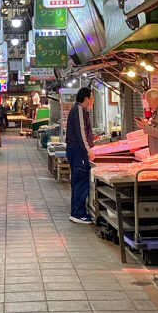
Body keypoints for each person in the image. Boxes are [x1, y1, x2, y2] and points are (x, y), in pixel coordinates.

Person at [66, 86, 95, 224]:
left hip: (77, 151)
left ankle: (77, 212)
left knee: (79, 181)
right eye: (92, 98)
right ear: (87, 98)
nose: (93, 101)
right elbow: (81, 133)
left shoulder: (81, 110)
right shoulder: (79, 110)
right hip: (78, 151)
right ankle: (78, 213)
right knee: (80, 182)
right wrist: (88, 150)